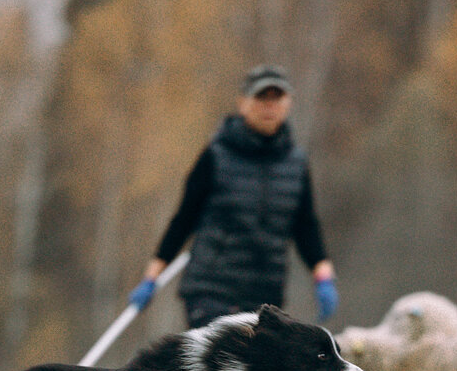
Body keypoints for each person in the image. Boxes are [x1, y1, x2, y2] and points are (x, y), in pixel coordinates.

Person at [129, 64, 338, 328]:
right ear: (243, 103)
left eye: (277, 99)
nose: (269, 106)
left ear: (288, 104)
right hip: (211, 291)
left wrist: (323, 277)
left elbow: (306, 226)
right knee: (219, 367)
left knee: (256, 369)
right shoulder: (216, 155)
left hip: (265, 297)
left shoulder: (296, 164)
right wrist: (151, 278)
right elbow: (184, 218)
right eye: (262, 98)